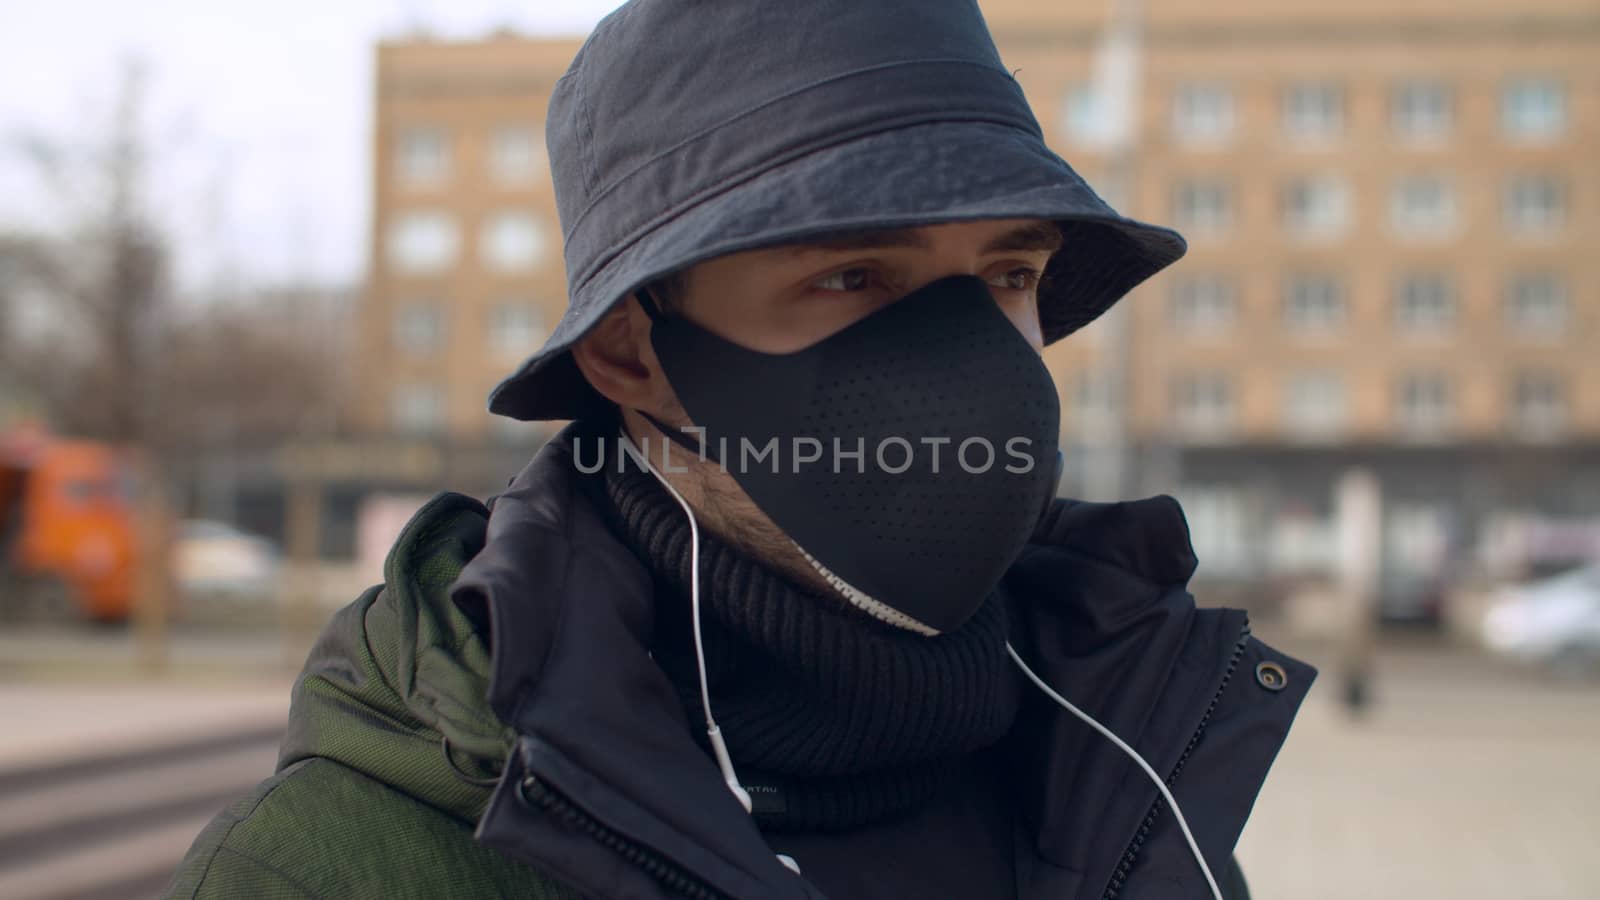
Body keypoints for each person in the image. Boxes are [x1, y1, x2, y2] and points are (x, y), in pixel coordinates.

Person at [166, 1, 1313, 897]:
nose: (975, 368)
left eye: (1008, 275)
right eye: (854, 275)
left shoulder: (1124, 767)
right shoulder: (338, 870)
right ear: (629, 355)